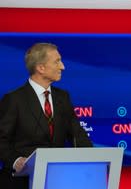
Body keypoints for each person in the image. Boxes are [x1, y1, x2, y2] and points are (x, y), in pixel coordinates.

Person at [0, 43, 92, 189]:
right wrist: (15, 160)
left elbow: (78, 135)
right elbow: (1, 141)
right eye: (57, 61)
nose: (62, 67)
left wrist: (93, 161)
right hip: (21, 182)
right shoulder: (14, 99)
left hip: (56, 180)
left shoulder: (63, 97)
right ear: (40, 68)